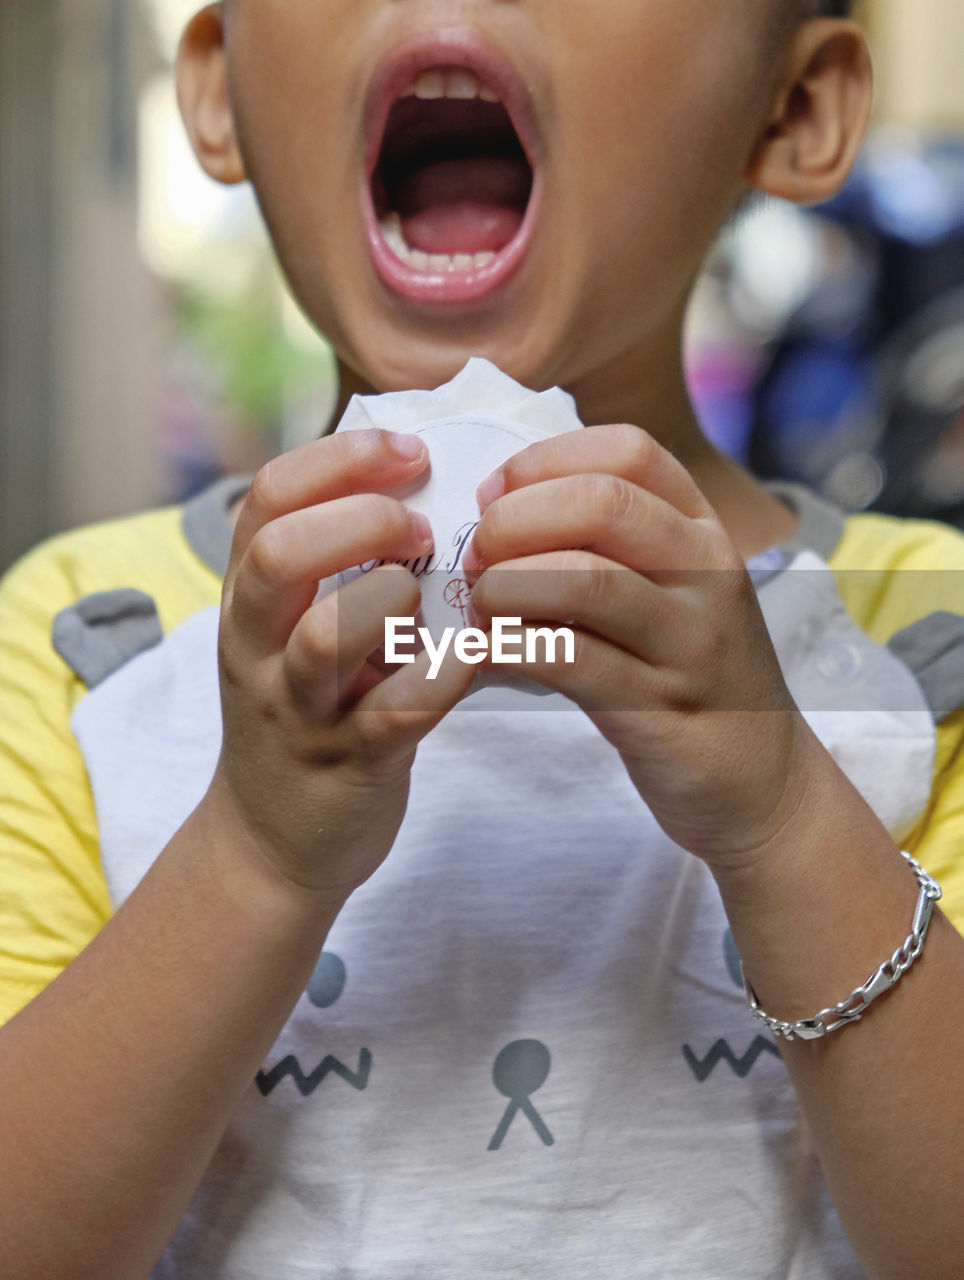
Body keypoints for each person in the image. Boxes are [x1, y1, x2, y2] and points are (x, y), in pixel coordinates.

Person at [1, 0, 963, 1276]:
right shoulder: (91, 643)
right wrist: (253, 849)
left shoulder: (924, 640)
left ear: (793, 110)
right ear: (219, 93)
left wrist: (784, 812)